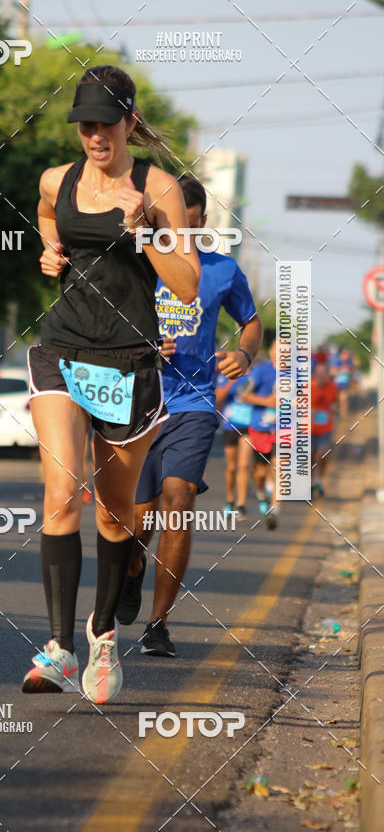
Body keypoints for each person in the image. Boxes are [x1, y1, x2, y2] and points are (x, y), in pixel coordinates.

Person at [22, 64, 201, 704]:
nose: (95, 136)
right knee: (63, 490)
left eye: (106, 123)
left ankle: (103, 636)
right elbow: (47, 213)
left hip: (130, 360)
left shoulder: (160, 188)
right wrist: (50, 251)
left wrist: (146, 232)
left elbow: (186, 284)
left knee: (116, 512)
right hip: (62, 348)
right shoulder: (57, 179)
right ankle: (60, 649)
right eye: (85, 125)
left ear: (129, 122)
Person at [115, 176, 262, 657]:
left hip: (195, 404)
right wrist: (145, 342)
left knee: (177, 499)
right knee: (136, 524)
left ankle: (158, 623)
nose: (173, 223)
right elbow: (108, 318)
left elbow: (251, 322)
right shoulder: (137, 262)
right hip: (139, 403)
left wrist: (244, 353)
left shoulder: (222, 270)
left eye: (184, 215)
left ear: (198, 218)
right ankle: (133, 567)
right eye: (163, 214)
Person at [241, 339, 279, 528]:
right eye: (278, 349)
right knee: (261, 472)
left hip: (284, 428)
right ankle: (262, 492)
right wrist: (267, 402)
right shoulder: (261, 371)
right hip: (260, 426)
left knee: (280, 466)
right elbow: (243, 394)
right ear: (272, 351)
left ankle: (274, 510)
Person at [216, 372, 253, 518]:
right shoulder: (226, 375)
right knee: (231, 466)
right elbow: (217, 401)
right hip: (230, 425)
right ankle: (230, 499)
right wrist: (231, 382)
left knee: (244, 465)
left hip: (249, 426)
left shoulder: (256, 375)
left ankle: (241, 503)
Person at [311, 362, 339, 498]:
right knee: (310, 457)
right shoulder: (307, 387)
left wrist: (333, 407)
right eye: (319, 375)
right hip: (308, 429)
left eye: (324, 375)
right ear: (315, 375)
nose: (321, 377)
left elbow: (334, 402)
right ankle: (311, 483)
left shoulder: (332, 388)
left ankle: (319, 479)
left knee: (323, 454)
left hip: (325, 427)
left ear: (327, 375)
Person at [330, 346, 355, 419]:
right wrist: (341, 370)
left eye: (348, 355)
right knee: (337, 400)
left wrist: (349, 372)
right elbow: (332, 372)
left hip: (345, 384)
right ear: (342, 355)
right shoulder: (337, 361)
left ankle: (343, 415)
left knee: (343, 399)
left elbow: (352, 372)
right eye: (345, 354)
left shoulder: (349, 361)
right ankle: (336, 414)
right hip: (337, 384)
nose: (347, 356)